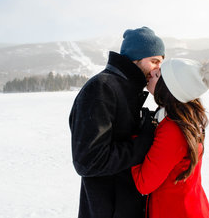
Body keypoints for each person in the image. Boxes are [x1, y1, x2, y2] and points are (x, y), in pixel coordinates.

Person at [69, 26, 165, 218]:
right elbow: (88, 161)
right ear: (135, 58)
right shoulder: (101, 89)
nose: (158, 69)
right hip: (106, 209)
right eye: (154, 61)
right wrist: (143, 142)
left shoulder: (127, 89)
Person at [131, 58, 209, 218]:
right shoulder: (182, 119)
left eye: (159, 74)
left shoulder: (173, 130)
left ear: (170, 89)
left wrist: (135, 137)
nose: (153, 72)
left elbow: (144, 183)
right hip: (190, 207)